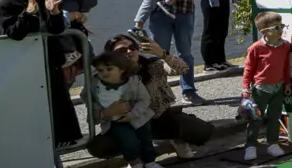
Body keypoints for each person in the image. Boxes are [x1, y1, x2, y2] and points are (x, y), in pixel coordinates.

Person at [0, 0, 85, 146]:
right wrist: (28, 14)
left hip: (51, 60)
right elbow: (15, 33)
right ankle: (34, 145)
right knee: (32, 106)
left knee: (59, 102)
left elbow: (56, 30)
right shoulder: (5, 4)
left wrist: (54, 12)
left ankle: (65, 141)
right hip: (25, 64)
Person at [85, 34, 215, 160]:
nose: (129, 52)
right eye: (122, 50)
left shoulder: (153, 65)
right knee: (99, 147)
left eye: (133, 47)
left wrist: (163, 53)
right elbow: (93, 116)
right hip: (125, 124)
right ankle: (133, 156)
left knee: (201, 131)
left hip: (159, 119)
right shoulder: (102, 79)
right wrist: (106, 113)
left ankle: (176, 141)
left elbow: (183, 69)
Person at [86, 51, 171, 168]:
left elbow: (144, 100)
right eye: (100, 70)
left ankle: (150, 164)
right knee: (129, 142)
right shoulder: (94, 84)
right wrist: (100, 111)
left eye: (109, 69)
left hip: (139, 117)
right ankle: (135, 166)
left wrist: (132, 115)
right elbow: (88, 99)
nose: (104, 73)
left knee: (146, 139)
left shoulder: (134, 81)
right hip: (115, 120)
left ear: (122, 69)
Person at [241, 11, 292, 161]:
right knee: (255, 118)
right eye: (276, 28)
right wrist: (245, 89)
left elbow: (285, 66)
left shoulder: (285, 46)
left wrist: (287, 83)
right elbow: (248, 70)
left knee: (275, 117)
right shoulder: (256, 48)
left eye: (281, 26)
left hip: (278, 88)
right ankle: (250, 146)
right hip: (261, 89)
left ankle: (273, 143)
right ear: (264, 31)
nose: (280, 30)